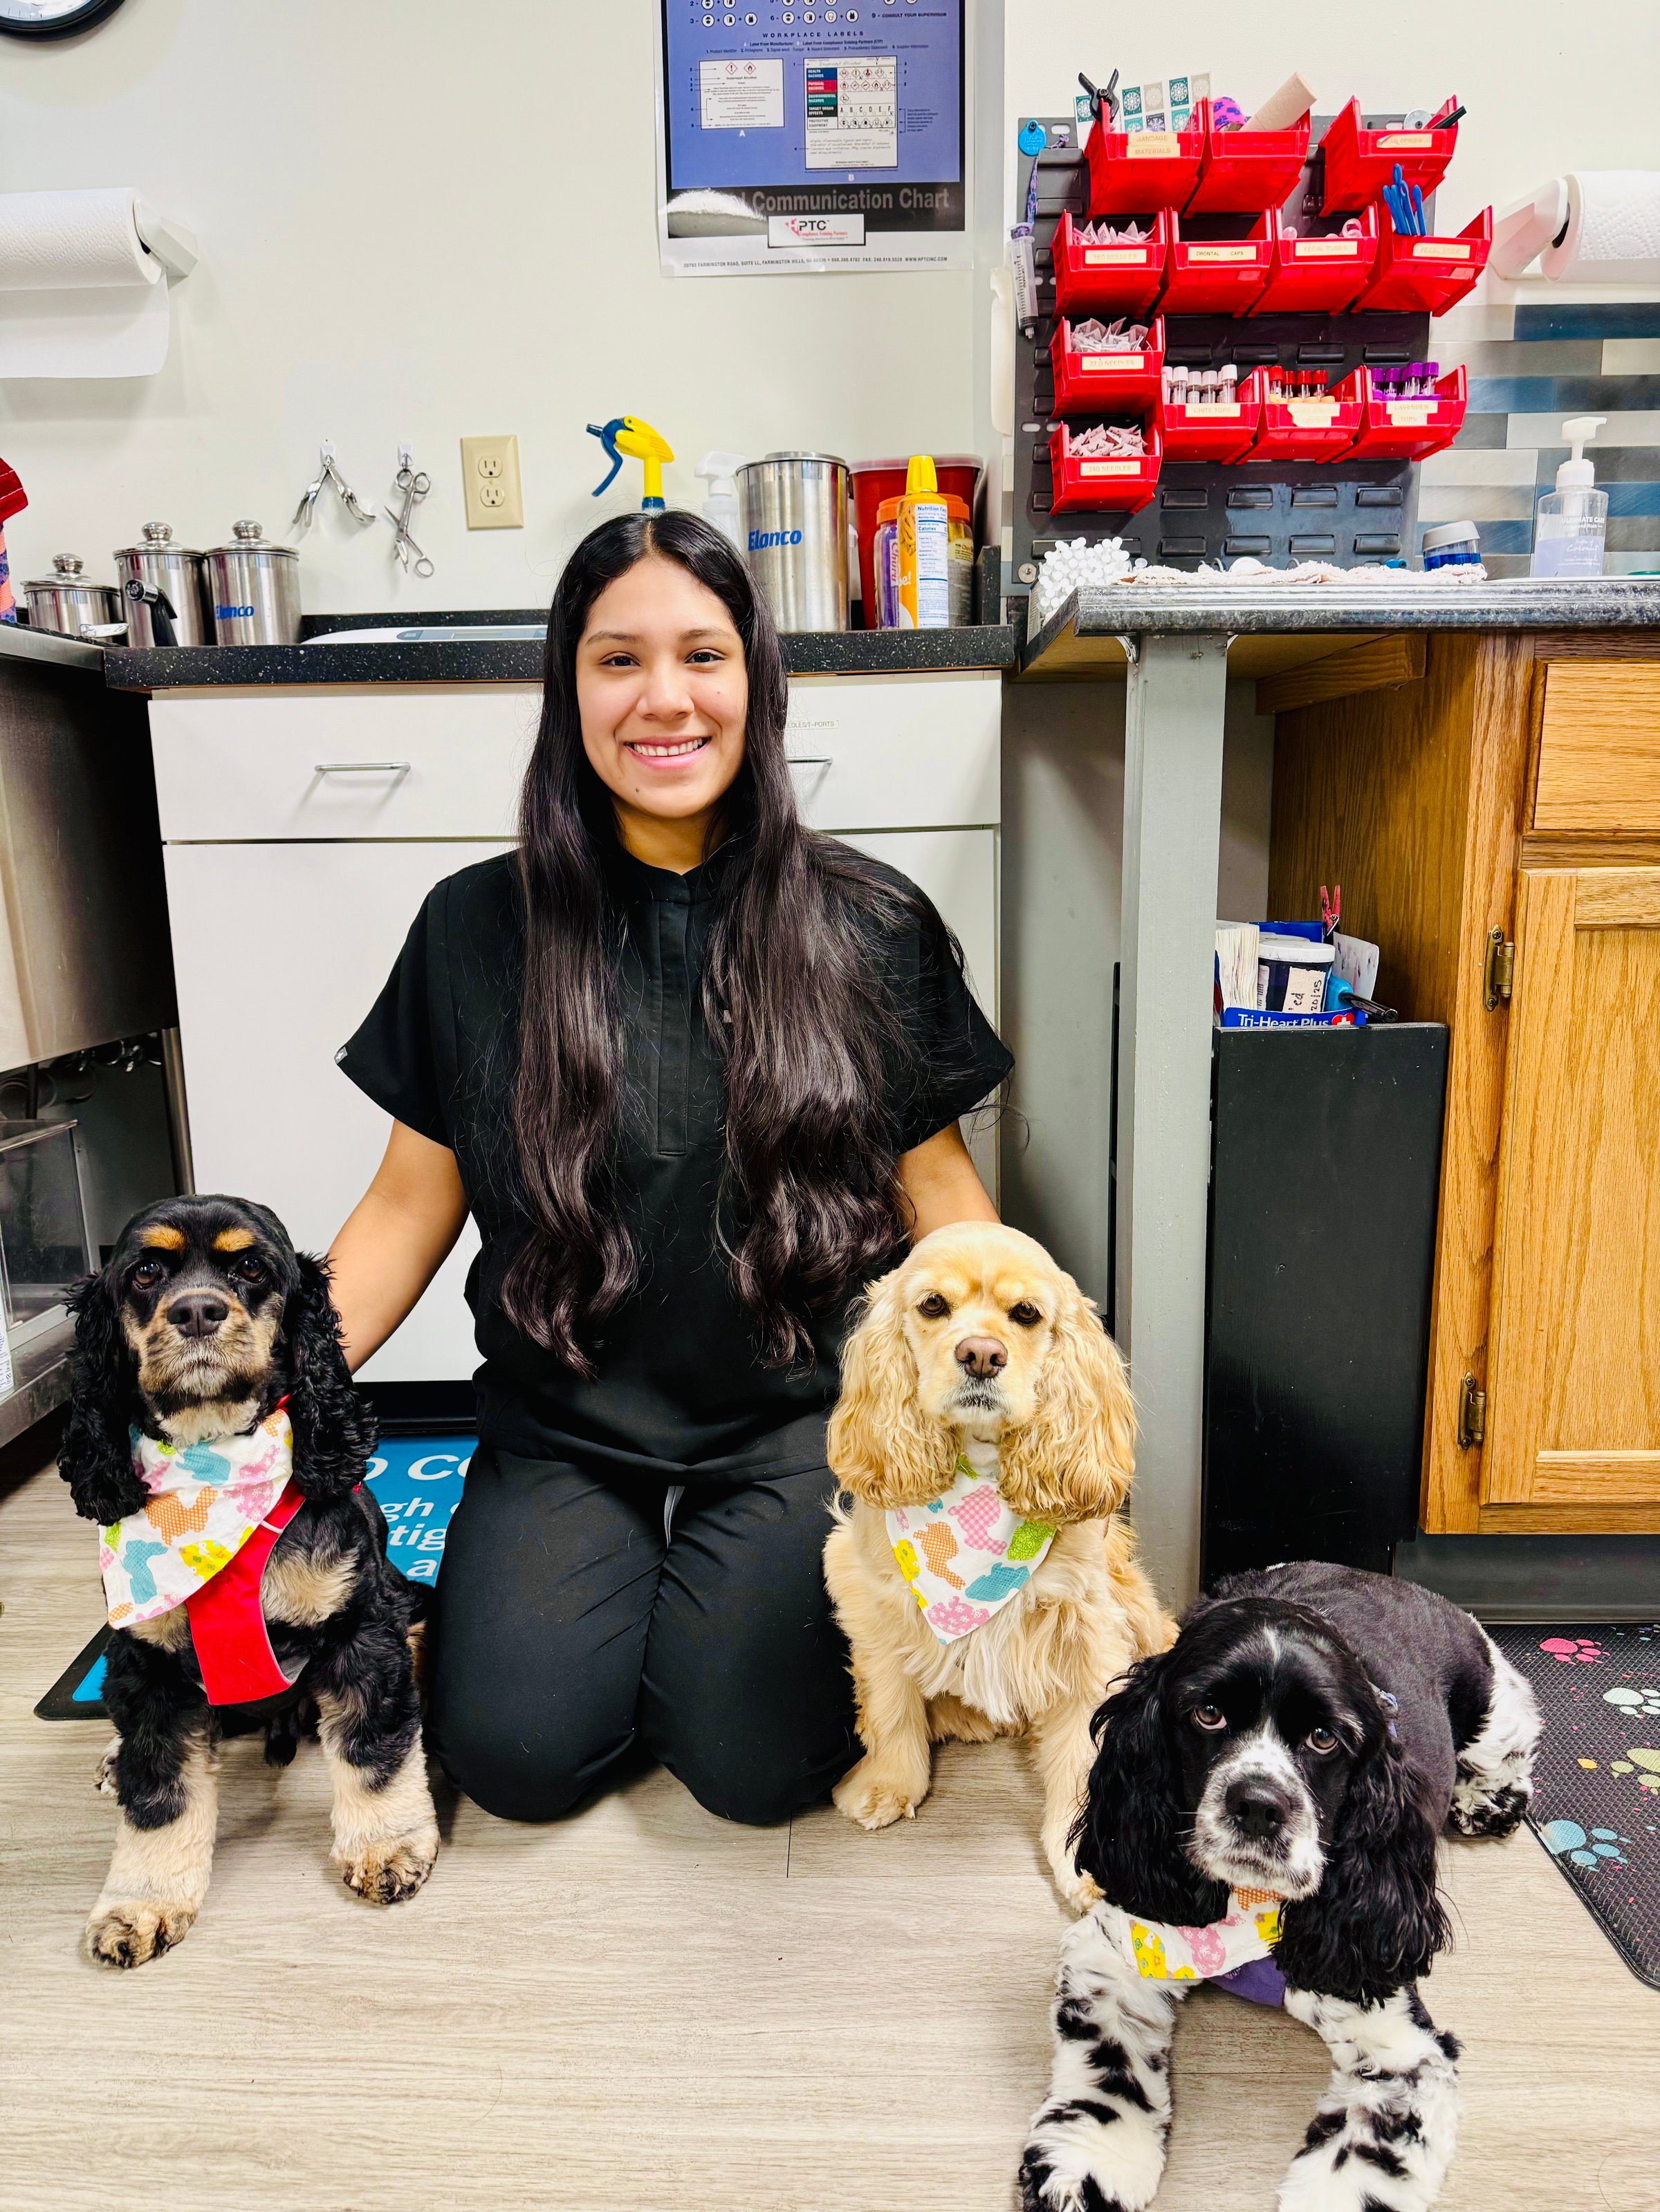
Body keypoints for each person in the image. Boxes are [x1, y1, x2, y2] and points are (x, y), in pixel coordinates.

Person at [326, 510, 1011, 1828]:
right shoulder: (473, 925)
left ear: (755, 679)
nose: (664, 699)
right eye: (616, 660)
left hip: (803, 1422)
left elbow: (943, 1200)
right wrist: (263, 1398)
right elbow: (408, 1206)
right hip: (566, 1428)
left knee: (755, 1768)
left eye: (703, 655)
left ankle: (709, 1618)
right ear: (566, 690)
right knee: (518, 1760)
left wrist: (999, 1406)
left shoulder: (869, 923)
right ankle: (609, 1602)